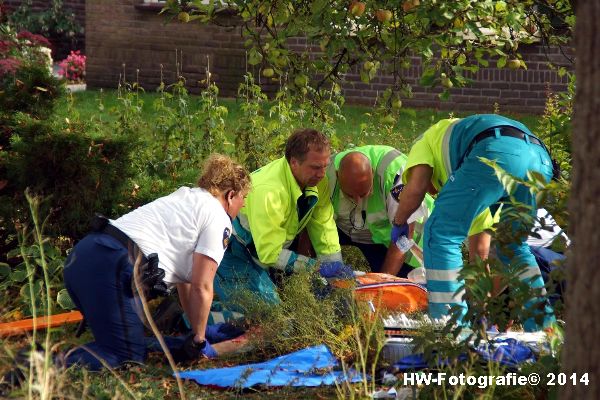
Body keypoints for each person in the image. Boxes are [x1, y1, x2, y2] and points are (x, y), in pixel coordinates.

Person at [62, 154, 251, 370]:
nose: (243, 205)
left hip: (84, 256)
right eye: (243, 198)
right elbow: (203, 285)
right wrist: (198, 343)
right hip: (111, 266)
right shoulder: (218, 217)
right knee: (126, 356)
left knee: (126, 342)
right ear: (231, 195)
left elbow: (186, 282)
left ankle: (100, 348)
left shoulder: (186, 196)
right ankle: (40, 365)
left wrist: (198, 332)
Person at [391, 114, 556, 331]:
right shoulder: (465, 168)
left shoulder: (425, 142)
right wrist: (482, 308)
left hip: (495, 152)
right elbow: (479, 252)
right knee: (513, 246)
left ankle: (449, 330)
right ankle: (544, 328)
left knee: (440, 233)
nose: (435, 193)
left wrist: (399, 221)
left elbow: (416, 189)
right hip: (539, 160)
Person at [215, 128, 350, 305]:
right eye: (316, 167)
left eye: (325, 166)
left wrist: (335, 270)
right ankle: (188, 318)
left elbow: (323, 224)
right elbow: (270, 254)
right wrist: (316, 268)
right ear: (294, 162)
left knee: (282, 307)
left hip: (262, 247)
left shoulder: (316, 179)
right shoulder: (269, 192)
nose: (322, 174)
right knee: (267, 314)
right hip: (233, 249)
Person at [325, 145, 433, 276]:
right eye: (349, 195)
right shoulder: (325, 174)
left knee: (401, 286)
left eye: (363, 193)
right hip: (369, 233)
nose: (357, 201)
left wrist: (382, 283)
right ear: (337, 175)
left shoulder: (395, 176)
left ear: (372, 171)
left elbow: (403, 238)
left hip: (412, 238)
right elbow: (316, 223)